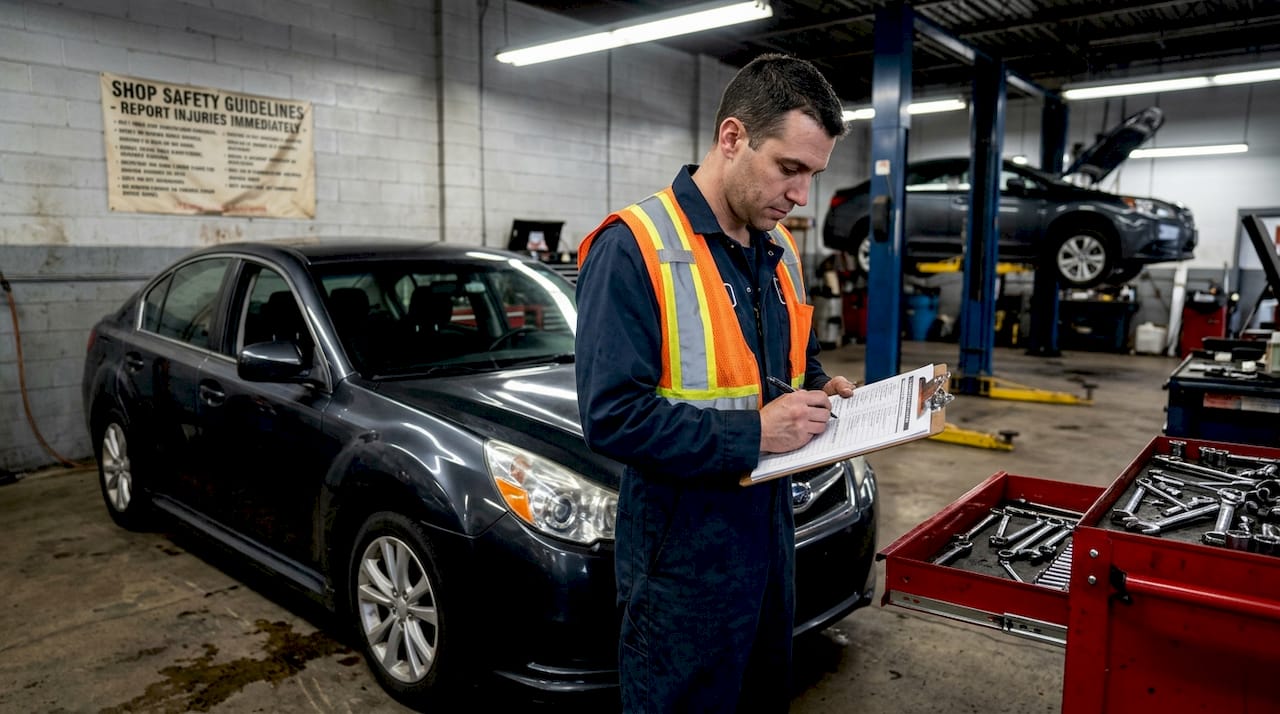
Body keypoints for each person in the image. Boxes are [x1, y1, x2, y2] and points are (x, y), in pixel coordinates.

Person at [574, 54, 857, 713]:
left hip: (768, 537)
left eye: (812, 175)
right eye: (790, 168)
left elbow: (790, 372)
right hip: (682, 556)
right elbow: (613, 416)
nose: (800, 195)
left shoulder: (776, 251)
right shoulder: (635, 246)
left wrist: (825, 395)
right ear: (733, 138)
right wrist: (756, 431)